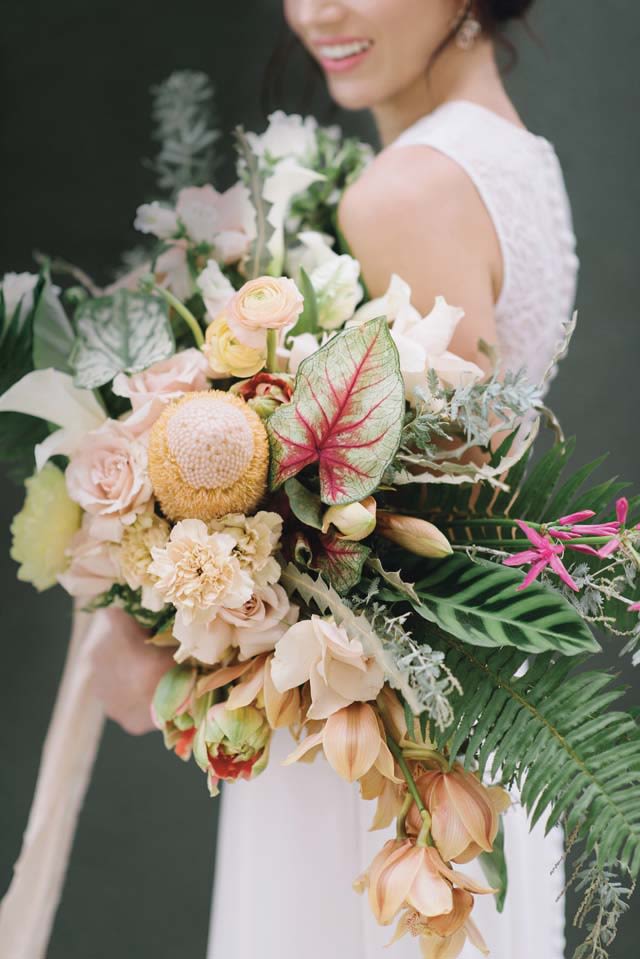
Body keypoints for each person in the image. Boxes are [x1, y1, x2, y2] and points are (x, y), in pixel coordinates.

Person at [92, 2, 577, 957]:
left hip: (377, 766)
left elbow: (398, 557)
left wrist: (161, 617)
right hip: (463, 734)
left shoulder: (407, 192)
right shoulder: (509, 155)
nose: (321, 9)